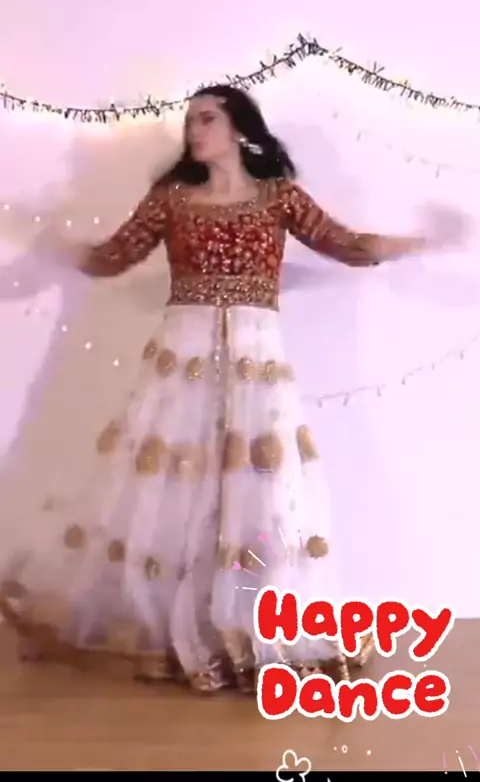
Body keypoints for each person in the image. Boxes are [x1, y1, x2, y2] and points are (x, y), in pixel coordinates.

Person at [0, 84, 460, 694]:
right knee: (171, 488)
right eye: (191, 121)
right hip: (183, 356)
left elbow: (349, 246)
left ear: (241, 129)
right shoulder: (172, 199)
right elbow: (113, 257)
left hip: (254, 360)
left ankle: (245, 627)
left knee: (254, 488)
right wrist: (52, 247)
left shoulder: (279, 197)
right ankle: (175, 629)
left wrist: (425, 241)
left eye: (208, 119)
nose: (195, 130)